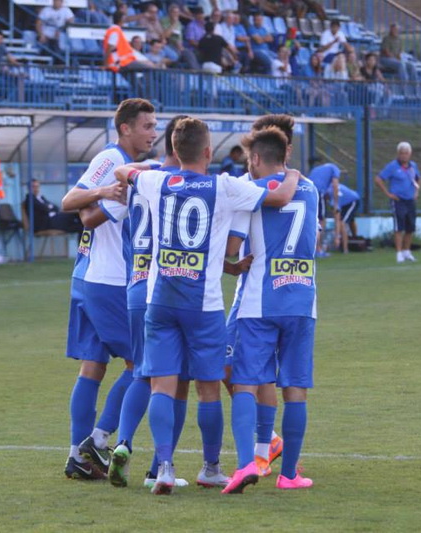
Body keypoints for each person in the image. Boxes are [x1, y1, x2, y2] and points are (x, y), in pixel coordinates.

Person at [113, 117, 302, 495]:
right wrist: (294, 174)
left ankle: (164, 469)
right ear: (207, 151)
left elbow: (122, 171)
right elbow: (280, 196)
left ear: (174, 150)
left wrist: (145, 168)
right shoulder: (224, 186)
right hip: (204, 305)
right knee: (208, 389)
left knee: (162, 386)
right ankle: (211, 467)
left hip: (160, 300)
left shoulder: (157, 181)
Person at [82, 115, 193, 489]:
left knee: (139, 371)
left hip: (135, 285)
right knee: (177, 381)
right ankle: (161, 467)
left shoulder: (139, 180)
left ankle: (119, 442)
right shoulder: (191, 185)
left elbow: (91, 217)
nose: (152, 132)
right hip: (174, 290)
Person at [58, 99, 157, 481]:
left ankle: (77, 458)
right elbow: (76, 207)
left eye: (155, 126)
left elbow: (84, 209)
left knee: (93, 366)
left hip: (90, 276)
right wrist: (110, 193)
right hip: (110, 281)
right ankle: (97, 441)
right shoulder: (113, 159)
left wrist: (105, 194)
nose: (153, 133)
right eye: (147, 126)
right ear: (125, 128)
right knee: (142, 366)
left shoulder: (124, 165)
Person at [223, 125, 317, 494]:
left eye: (250, 159)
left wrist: (231, 261)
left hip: (260, 301)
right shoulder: (310, 188)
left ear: (257, 158)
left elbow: (232, 249)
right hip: (302, 300)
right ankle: (289, 475)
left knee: (245, 382)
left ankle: (247, 462)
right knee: (295, 388)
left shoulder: (252, 191)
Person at [375, 142, 420, 263]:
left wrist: (416, 192)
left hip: (410, 200)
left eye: (406, 153)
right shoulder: (392, 166)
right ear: (398, 154)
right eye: (401, 153)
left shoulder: (413, 166)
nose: (404, 156)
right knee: (399, 227)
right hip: (398, 200)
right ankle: (399, 253)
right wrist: (388, 194)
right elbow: (378, 179)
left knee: (410, 227)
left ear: (410, 154)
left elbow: (418, 178)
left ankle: (407, 251)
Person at [307, 160, 340, 255]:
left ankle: (310, 248)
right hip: (317, 192)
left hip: (307, 191)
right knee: (321, 222)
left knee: (311, 221)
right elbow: (335, 186)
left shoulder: (317, 169)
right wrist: (336, 204)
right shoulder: (334, 168)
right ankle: (318, 249)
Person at [326, 181, 360, 254]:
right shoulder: (329, 187)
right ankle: (354, 240)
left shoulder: (332, 197)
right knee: (350, 220)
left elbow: (337, 219)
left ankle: (345, 249)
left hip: (353, 201)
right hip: (346, 201)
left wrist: (337, 237)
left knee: (342, 223)